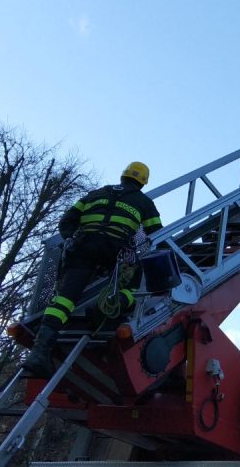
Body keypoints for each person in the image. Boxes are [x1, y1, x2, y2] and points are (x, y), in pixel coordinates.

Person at [23, 161, 163, 378]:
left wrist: (70, 238)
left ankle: (39, 351)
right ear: (143, 182)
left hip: (82, 248)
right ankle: (105, 308)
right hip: (113, 251)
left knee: (64, 299)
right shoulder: (143, 201)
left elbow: (67, 220)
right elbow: (156, 233)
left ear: (123, 176)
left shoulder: (95, 194)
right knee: (134, 284)